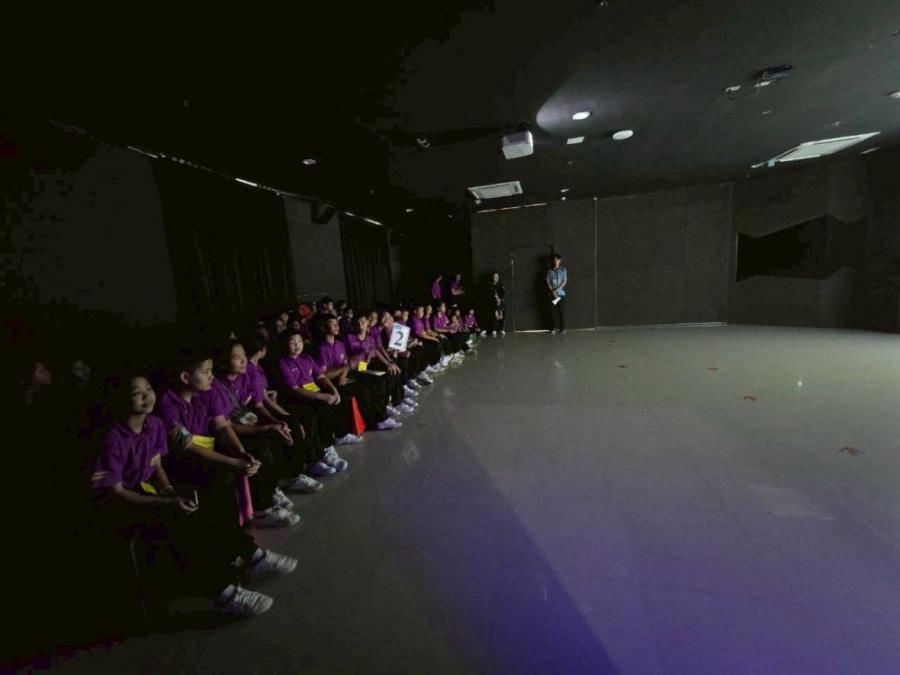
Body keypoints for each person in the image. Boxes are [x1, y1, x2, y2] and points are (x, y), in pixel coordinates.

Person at [92, 373, 296, 619]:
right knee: (182, 524)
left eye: (149, 389)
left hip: (149, 490)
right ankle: (224, 593)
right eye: (137, 393)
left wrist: (169, 491)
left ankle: (251, 556)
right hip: (121, 502)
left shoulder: (153, 424)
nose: (147, 396)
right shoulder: (113, 438)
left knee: (204, 505)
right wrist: (166, 502)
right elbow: (116, 492)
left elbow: (155, 464)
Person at [546, 253, 568, 333]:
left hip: (560, 294)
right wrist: (553, 291)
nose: (555, 261)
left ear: (559, 260)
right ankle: (553, 327)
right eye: (554, 260)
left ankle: (562, 328)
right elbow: (548, 282)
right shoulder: (549, 271)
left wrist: (557, 290)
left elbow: (564, 281)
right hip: (551, 294)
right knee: (552, 312)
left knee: (561, 311)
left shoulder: (563, 270)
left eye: (556, 260)